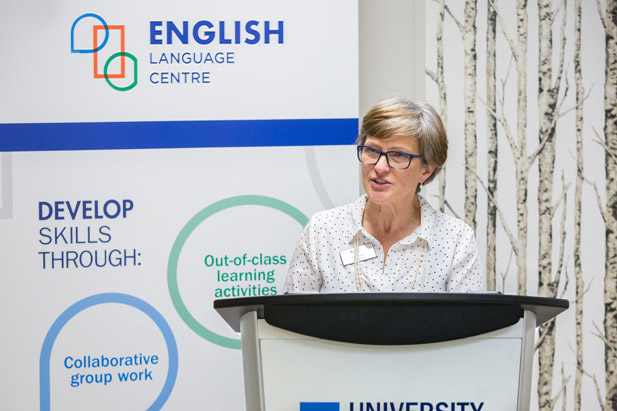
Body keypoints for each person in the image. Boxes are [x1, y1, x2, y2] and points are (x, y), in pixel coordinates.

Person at [283, 97, 485, 293]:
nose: (379, 167)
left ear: (426, 170)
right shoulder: (322, 231)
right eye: (371, 150)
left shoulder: (456, 239)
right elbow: (290, 319)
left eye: (398, 155)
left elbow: (468, 325)